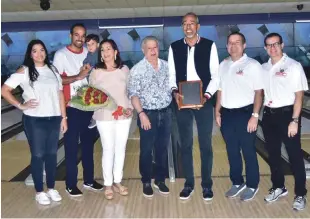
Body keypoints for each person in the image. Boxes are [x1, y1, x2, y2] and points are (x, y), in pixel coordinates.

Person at [1, 39, 67, 205]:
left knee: (52, 155)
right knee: (38, 155)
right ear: (30, 54)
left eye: (42, 50)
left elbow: (60, 94)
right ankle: (39, 191)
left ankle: (51, 188)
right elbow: (5, 90)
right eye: (35, 51)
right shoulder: (25, 70)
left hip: (54, 118)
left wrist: (63, 117)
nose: (39, 53)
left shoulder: (52, 69)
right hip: (34, 120)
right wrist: (21, 105)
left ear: (46, 51)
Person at [168, 12, 219, 201]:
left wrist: (206, 96)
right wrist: (175, 92)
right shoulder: (174, 47)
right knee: (186, 145)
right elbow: (172, 75)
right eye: (184, 24)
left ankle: (207, 185)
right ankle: (188, 184)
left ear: (198, 26)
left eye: (192, 23)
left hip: (204, 101)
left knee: (206, 145)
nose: (188, 27)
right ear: (182, 27)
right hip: (182, 102)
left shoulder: (209, 45)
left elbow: (216, 75)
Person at [53, 23, 103, 197]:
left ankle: (89, 180)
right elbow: (57, 80)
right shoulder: (61, 55)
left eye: (83, 35)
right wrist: (78, 76)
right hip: (72, 107)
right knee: (72, 148)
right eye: (77, 35)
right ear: (70, 36)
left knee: (88, 146)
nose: (80, 38)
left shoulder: (89, 52)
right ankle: (71, 184)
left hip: (89, 107)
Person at [261, 32, 308, 211]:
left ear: (282, 45)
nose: (273, 48)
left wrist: (295, 120)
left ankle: (301, 193)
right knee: (273, 155)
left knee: (294, 156)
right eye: (269, 45)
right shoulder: (264, 68)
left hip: (288, 115)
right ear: (265, 48)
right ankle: (279, 186)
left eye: (276, 44)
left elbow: (299, 96)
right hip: (269, 116)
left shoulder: (293, 66)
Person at [215, 32, 263, 201]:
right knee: (232, 151)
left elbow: (259, 92)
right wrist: (217, 111)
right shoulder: (224, 64)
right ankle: (237, 182)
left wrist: (255, 115)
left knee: (248, 151)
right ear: (227, 46)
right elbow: (220, 90)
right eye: (230, 43)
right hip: (227, 115)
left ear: (244, 46)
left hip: (246, 113)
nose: (233, 46)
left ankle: (252, 185)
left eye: (237, 42)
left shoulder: (253, 65)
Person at [128, 36, 172, 198]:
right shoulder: (137, 70)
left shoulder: (167, 67)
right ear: (143, 50)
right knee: (146, 150)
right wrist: (141, 114)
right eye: (149, 48)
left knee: (162, 149)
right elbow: (133, 95)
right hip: (147, 114)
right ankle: (146, 180)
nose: (153, 51)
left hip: (166, 112)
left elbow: (174, 88)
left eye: (155, 48)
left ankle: (160, 180)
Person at [89, 39, 133, 200]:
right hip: (104, 115)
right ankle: (108, 184)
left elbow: (130, 91)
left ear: (115, 52)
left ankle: (117, 182)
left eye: (109, 49)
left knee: (120, 149)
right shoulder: (96, 72)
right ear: (100, 55)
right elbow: (92, 96)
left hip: (123, 115)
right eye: (102, 50)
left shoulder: (124, 70)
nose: (105, 52)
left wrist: (130, 108)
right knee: (108, 149)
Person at [83, 33, 100, 129]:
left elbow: (100, 66)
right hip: (91, 81)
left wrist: (90, 67)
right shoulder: (89, 54)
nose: (90, 46)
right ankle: (95, 117)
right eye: (88, 44)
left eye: (92, 44)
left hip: (97, 81)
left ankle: (96, 117)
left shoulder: (99, 54)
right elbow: (85, 61)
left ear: (98, 44)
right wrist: (85, 65)